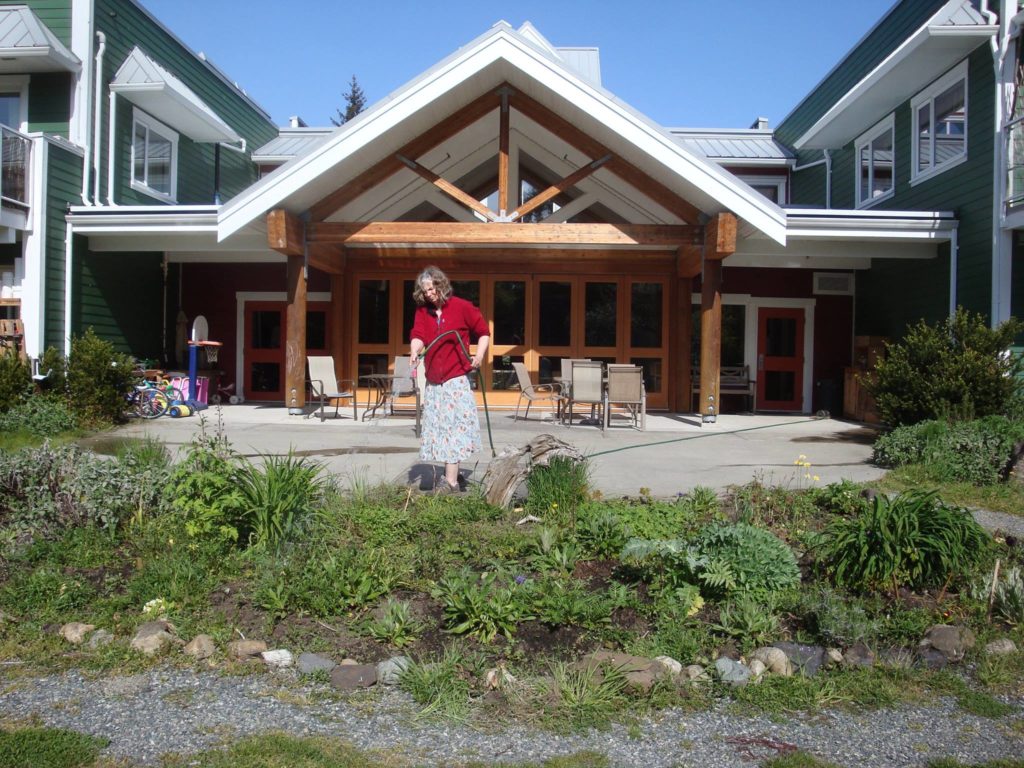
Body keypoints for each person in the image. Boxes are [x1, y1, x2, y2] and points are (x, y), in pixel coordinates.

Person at [409, 266, 490, 493]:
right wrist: (415, 350)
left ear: (441, 286)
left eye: (432, 289)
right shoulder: (423, 312)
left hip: (455, 380)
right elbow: (418, 335)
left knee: (454, 430)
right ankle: (452, 476)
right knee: (441, 430)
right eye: (424, 291)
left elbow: (483, 331)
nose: (428, 294)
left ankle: (451, 481)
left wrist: (479, 356)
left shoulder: (462, 307)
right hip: (434, 381)